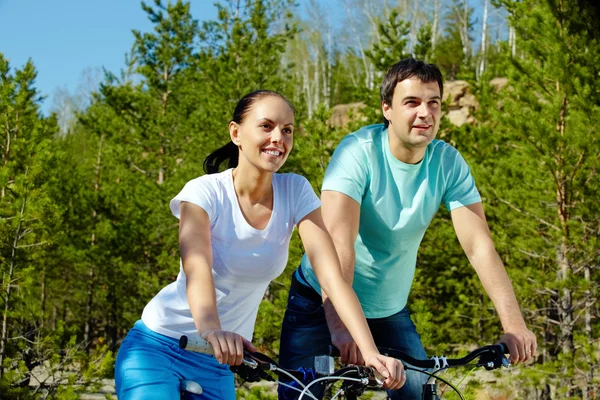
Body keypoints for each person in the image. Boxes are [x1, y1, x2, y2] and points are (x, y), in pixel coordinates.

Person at [114, 90, 405, 399]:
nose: (278, 137)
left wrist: (369, 351)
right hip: (158, 347)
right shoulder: (203, 193)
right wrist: (212, 328)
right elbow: (196, 266)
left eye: (287, 129)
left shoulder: (295, 190)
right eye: (266, 126)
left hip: (217, 363)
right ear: (236, 133)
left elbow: (333, 279)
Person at [278, 59, 538, 399]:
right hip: (320, 301)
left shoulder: (447, 162)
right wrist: (341, 327)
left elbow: (479, 247)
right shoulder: (358, 153)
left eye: (434, 103)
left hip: (388, 309)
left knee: (418, 393)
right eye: (412, 102)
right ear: (386, 109)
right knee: (303, 394)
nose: (425, 113)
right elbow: (338, 245)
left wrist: (514, 325)